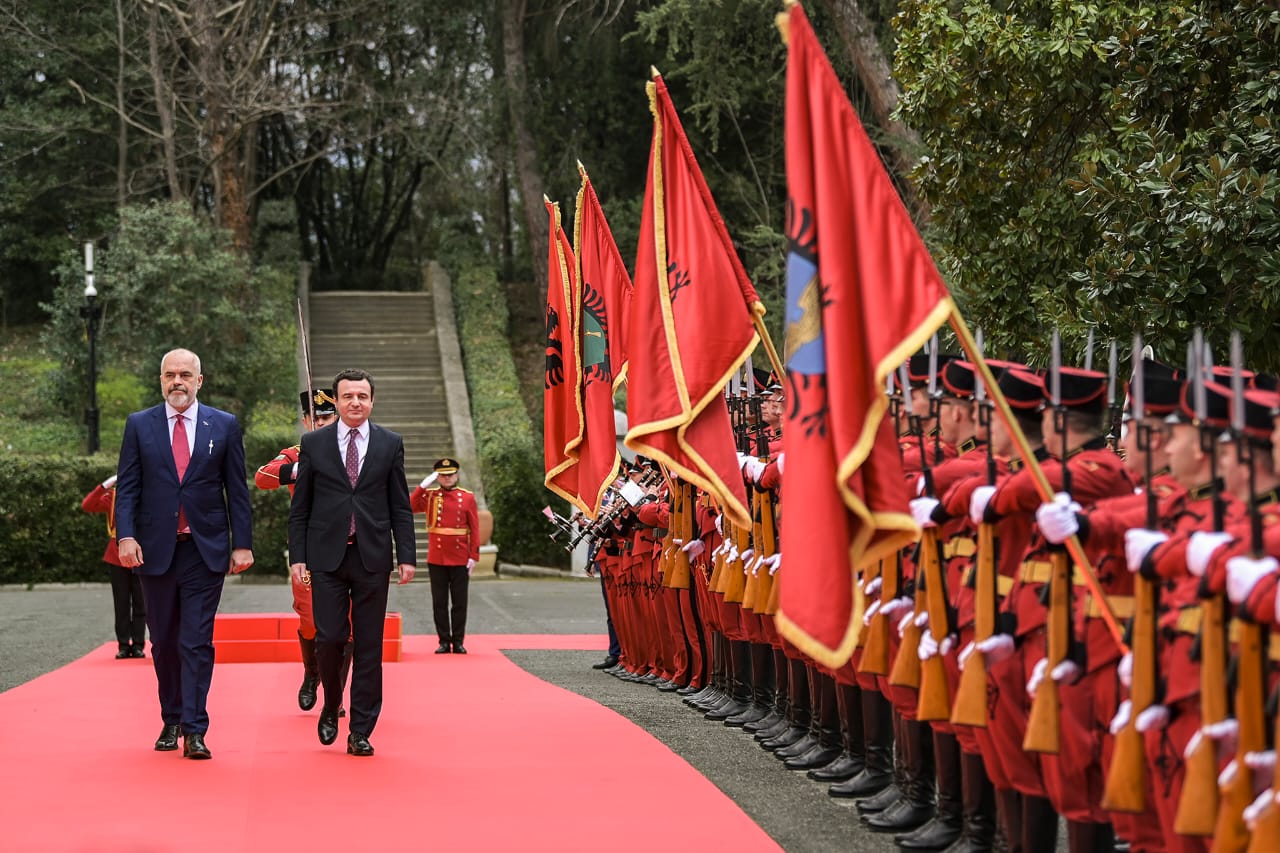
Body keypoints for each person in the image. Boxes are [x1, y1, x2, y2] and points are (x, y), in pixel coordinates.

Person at [114, 348, 255, 760]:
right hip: (153, 551)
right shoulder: (140, 425)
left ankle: (195, 728)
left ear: (199, 380)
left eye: (185, 375)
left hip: (203, 550)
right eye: (170, 375)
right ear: (161, 380)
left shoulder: (223, 425)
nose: (177, 381)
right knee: (163, 641)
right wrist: (126, 536)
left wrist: (242, 543)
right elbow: (129, 487)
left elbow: (238, 490)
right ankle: (171, 718)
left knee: (195, 641)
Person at [288, 367, 416, 757]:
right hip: (326, 557)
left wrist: (406, 556)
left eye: (362, 396)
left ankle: (361, 729)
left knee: (369, 646)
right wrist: (298, 556)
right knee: (328, 638)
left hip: (371, 557)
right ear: (338, 401)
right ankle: (330, 703)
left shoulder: (389, 444)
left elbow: (400, 505)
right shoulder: (315, 444)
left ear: (372, 400)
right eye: (348, 397)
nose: (355, 402)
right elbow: (301, 507)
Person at [254, 388, 353, 715]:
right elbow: (263, 477)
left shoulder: (355, 451)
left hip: (349, 547)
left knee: (345, 625)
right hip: (309, 551)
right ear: (306, 420)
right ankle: (312, 673)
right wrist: (299, 471)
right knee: (311, 621)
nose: (323, 422)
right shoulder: (298, 453)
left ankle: (335, 696)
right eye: (317, 417)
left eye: (328, 416)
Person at [410, 457, 480, 655]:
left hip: (460, 557)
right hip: (437, 557)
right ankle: (443, 640)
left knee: (459, 602)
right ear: (437, 477)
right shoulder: (431, 496)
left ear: (456, 475)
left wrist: (473, 555)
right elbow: (410, 505)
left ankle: (458, 641)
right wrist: (423, 486)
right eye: (442, 475)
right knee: (439, 602)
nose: (447, 479)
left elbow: (474, 528)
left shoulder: (467, 497)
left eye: (450, 475)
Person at [81, 473, 146, 658]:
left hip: (141, 553)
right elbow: (88, 505)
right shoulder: (113, 497)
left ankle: (139, 644)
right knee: (121, 603)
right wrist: (105, 484)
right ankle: (124, 645)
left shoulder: (147, 495)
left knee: (141, 603)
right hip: (116, 555)